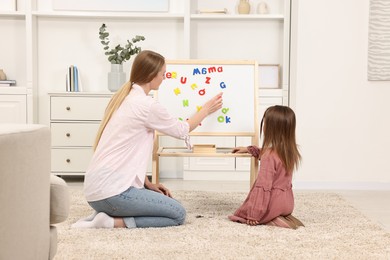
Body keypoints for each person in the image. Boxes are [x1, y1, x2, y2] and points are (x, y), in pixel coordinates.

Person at [72, 50, 223, 229]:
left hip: (97, 193)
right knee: (177, 214)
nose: (165, 78)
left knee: (166, 203)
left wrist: (148, 184)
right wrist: (206, 109)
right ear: (152, 75)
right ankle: (111, 222)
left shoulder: (126, 99)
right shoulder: (146, 105)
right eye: (163, 73)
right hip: (111, 193)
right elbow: (181, 129)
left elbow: (129, 153)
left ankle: (108, 213)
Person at [228, 105, 304, 229]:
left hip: (273, 204)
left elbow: (262, 186)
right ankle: (282, 216)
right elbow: (270, 154)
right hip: (288, 203)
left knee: (241, 216)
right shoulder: (290, 152)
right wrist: (249, 149)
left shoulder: (269, 156)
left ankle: (272, 219)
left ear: (271, 128)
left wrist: (254, 214)